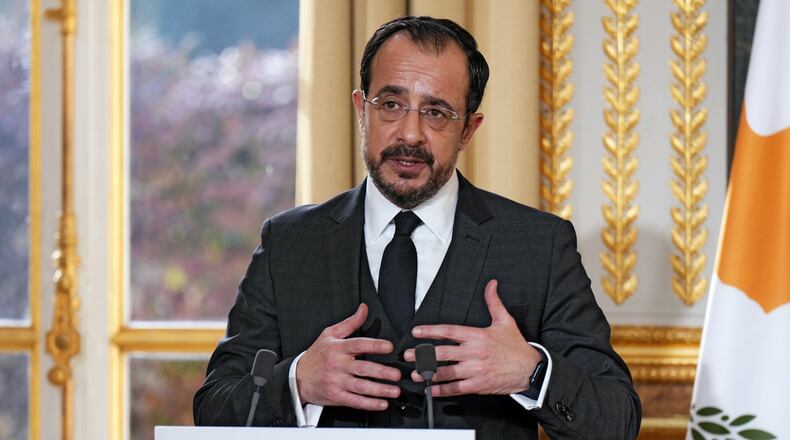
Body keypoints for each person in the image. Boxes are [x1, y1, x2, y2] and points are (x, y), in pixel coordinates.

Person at [194, 16, 641, 439]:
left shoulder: (539, 245)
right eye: (391, 105)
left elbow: (617, 419)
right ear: (361, 110)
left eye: (436, 112)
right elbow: (215, 409)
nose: (410, 134)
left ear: (468, 130)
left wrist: (531, 371)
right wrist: (298, 383)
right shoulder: (288, 244)